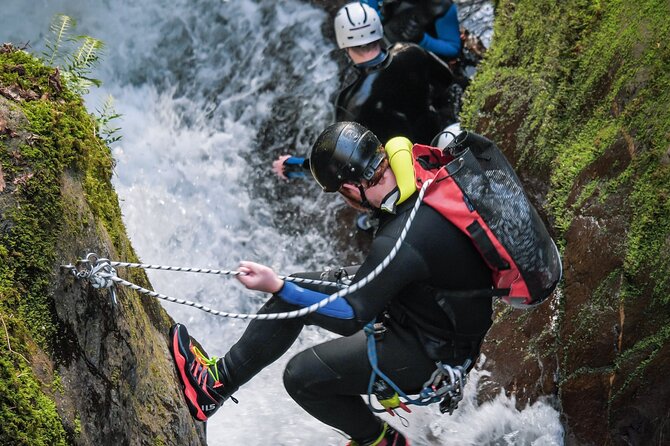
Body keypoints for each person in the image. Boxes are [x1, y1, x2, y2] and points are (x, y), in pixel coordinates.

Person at [171, 121, 495, 445]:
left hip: (430, 355)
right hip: (430, 313)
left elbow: (351, 316)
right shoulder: (414, 171)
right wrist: (288, 287)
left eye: (343, 195)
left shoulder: (401, 239)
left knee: (301, 376)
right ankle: (217, 384)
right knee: (297, 290)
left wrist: (277, 286)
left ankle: (380, 441)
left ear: (353, 189)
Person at [273, 2, 461, 180]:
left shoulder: (350, 101)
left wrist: (291, 166)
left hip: (411, 171)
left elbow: (338, 163)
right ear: (378, 31)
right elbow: (448, 81)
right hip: (441, 138)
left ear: (344, 44)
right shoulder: (411, 51)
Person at [363, 0, 462, 61]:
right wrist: (382, 15)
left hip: (419, 61)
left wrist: (422, 39)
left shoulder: (441, 6)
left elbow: (453, 49)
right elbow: (362, 21)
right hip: (378, 53)